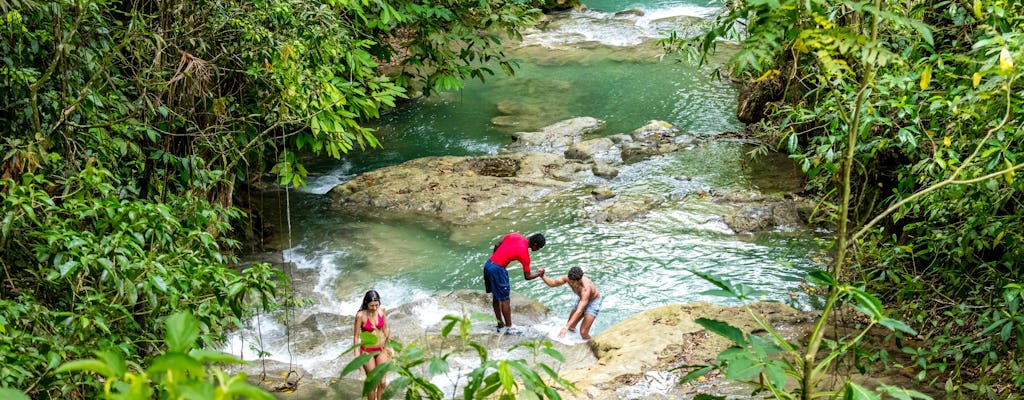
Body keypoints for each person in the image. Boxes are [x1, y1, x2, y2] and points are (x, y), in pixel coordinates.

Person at [484, 232, 546, 330]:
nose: (537, 250)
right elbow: (528, 276)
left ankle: (500, 323)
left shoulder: (516, 235)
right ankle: (509, 328)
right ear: (535, 244)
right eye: (538, 248)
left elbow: (497, 244)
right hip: (498, 270)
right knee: (505, 299)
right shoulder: (524, 254)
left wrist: (496, 258)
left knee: (496, 296)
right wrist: (540, 273)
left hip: (488, 264)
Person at [541, 266, 602, 340]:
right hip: (581, 299)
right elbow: (553, 283)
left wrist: (565, 327)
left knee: (583, 332)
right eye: (571, 282)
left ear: (579, 280)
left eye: (574, 283)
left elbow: (579, 311)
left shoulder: (586, 289)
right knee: (571, 327)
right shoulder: (568, 279)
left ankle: (594, 343)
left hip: (593, 302)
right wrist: (542, 275)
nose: (572, 284)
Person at [353, 290, 390, 400]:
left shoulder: (382, 310)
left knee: (382, 382)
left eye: (376, 305)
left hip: (381, 349)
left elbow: (385, 328)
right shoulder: (360, 315)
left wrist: (389, 345)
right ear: (366, 303)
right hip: (367, 351)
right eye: (371, 305)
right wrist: (356, 355)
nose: (374, 308)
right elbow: (356, 336)